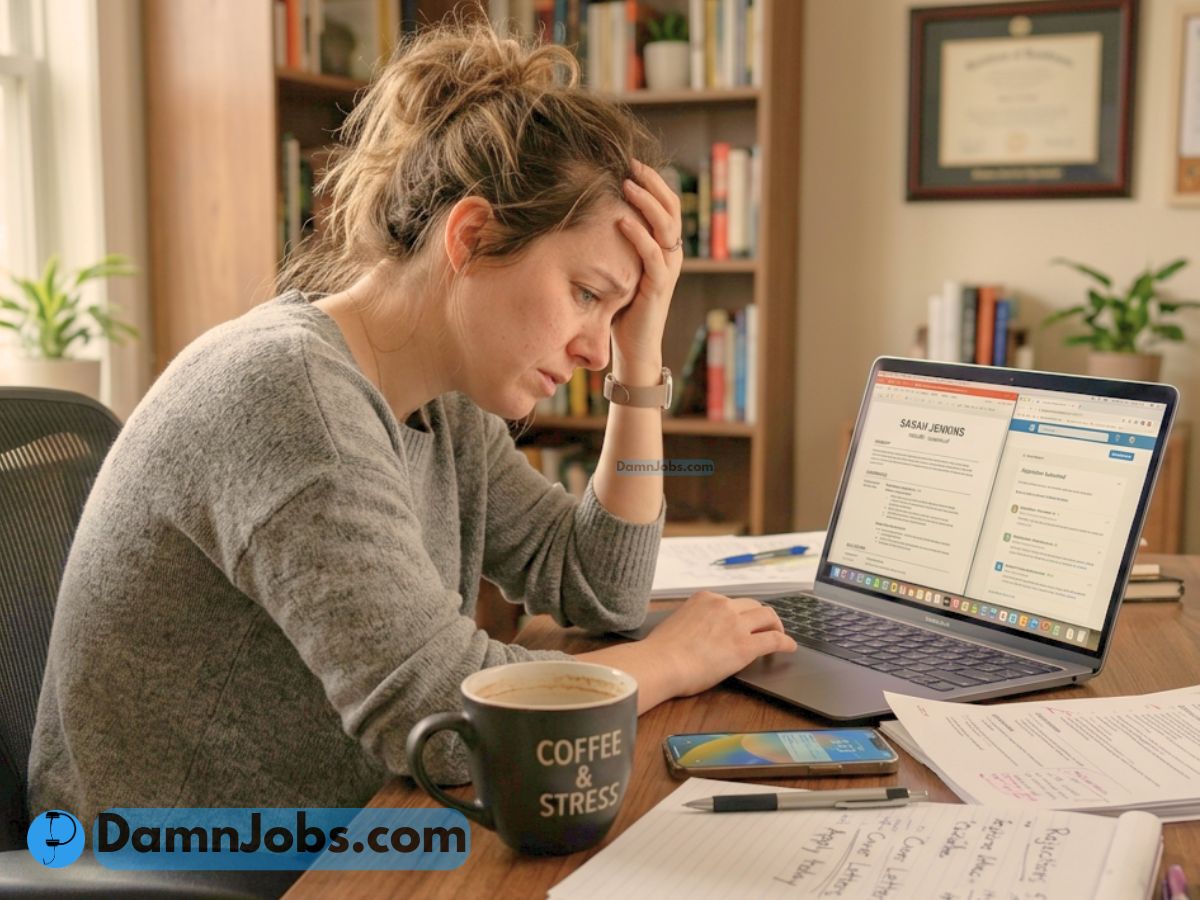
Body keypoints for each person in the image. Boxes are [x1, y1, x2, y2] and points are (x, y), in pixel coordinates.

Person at [28, 21, 796, 827]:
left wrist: (640, 364)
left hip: (328, 830)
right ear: (472, 236)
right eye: (584, 293)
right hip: (173, 858)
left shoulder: (440, 399)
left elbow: (600, 584)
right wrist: (673, 659)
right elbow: (447, 724)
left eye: (615, 312)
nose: (593, 348)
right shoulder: (291, 398)